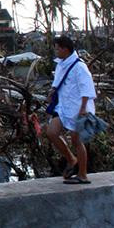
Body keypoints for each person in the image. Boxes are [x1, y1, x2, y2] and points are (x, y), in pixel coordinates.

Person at [44, 36, 96, 184]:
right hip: (63, 106)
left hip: (78, 107)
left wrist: (83, 109)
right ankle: (71, 159)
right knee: (52, 132)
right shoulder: (61, 65)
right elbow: (58, 82)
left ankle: (82, 174)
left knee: (76, 141)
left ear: (65, 49)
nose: (56, 51)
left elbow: (87, 89)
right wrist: (52, 92)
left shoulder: (80, 67)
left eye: (57, 49)